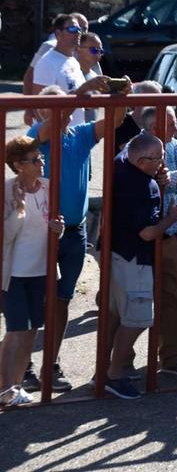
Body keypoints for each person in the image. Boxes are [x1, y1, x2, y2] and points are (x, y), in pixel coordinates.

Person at [24, 81, 130, 392]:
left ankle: (50, 364)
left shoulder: (79, 136)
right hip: (41, 233)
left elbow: (116, 120)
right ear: (42, 110)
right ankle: (24, 365)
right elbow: (60, 114)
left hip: (73, 233)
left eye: (66, 104)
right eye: (54, 105)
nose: (63, 110)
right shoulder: (36, 138)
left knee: (61, 301)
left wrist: (120, 95)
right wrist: (82, 90)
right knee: (33, 300)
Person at [104, 133, 177, 399]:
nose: (162, 164)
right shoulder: (140, 187)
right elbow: (147, 233)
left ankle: (106, 371)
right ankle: (113, 375)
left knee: (118, 314)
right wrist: (171, 217)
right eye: (158, 159)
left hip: (119, 255)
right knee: (137, 320)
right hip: (135, 261)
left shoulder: (121, 162)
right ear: (140, 159)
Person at [0, 137, 64, 406]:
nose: (41, 163)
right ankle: (4, 389)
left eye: (41, 158)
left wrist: (58, 230)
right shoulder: (7, 190)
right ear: (18, 165)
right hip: (14, 273)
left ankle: (15, 386)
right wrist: (17, 211)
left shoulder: (48, 188)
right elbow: (6, 236)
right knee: (15, 331)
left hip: (41, 271)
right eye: (35, 159)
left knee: (32, 330)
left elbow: (52, 227)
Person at [32, 13, 108, 128]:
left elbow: (77, 96)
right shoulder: (47, 63)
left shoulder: (73, 61)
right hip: (56, 136)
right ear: (58, 33)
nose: (78, 32)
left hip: (74, 134)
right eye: (72, 29)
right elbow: (39, 108)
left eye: (79, 29)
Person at [114, 81, 164, 151]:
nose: (155, 106)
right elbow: (128, 153)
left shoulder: (164, 122)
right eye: (150, 100)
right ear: (135, 101)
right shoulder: (120, 124)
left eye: (158, 101)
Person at [75, 32, 106, 123]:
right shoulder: (70, 73)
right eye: (94, 50)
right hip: (69, 131)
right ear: (78, 48)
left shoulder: (95, 76)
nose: (98, 54)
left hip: (88, 132)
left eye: (101, 51)